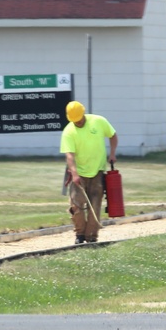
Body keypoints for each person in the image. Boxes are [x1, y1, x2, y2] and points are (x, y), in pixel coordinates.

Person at [60, 100, 118, 244]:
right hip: (78, 173)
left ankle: (91, 237)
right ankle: (79, 234)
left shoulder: (99, 121)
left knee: (95, 205)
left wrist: (112, 154)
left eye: (79, 119)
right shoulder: (68, 131)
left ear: (83, 113)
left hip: (97, 172)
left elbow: (113, 136)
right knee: (76, 205)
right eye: (74, 120)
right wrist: (74, 174)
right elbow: (69, 156)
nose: (77, 122)